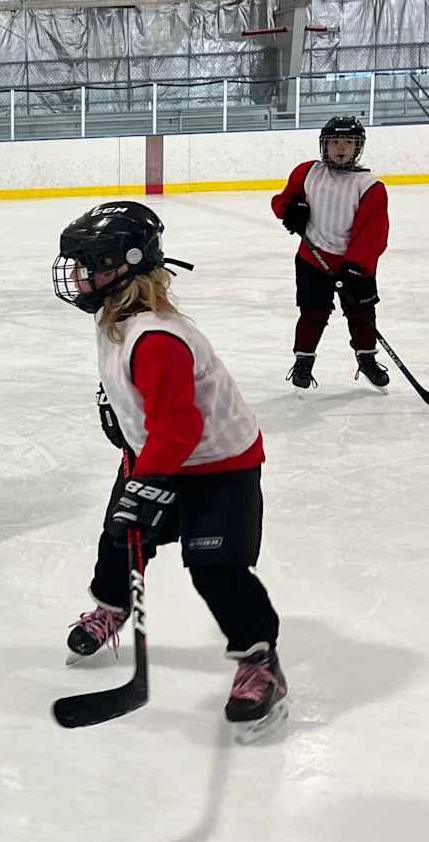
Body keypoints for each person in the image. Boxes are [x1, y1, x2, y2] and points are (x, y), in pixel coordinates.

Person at [51, 200, 287, 739]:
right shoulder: (117, 320)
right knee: (119, 541)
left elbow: (180, 425)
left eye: (95, 265)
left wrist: (149, 483)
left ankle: (259, 660)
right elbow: (153, 409)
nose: (82, 277)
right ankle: (112, 608)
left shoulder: (155, 336)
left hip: (218, 465)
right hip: (156, 451)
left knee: (216, 568)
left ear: (128, 267)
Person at [271, 115, 390, 389]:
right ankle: (303, 363)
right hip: (312, 259)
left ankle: (368, 360)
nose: (340, 147)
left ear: (358, 147)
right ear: (324, 144)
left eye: (348, 142)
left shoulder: (370, 186)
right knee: (312, 313)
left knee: (362, 316)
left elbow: (374, 234)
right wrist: (291, 211)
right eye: (335, 141)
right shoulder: (307, 172)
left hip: (355, 265)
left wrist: (355, 265)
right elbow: (282, 202)